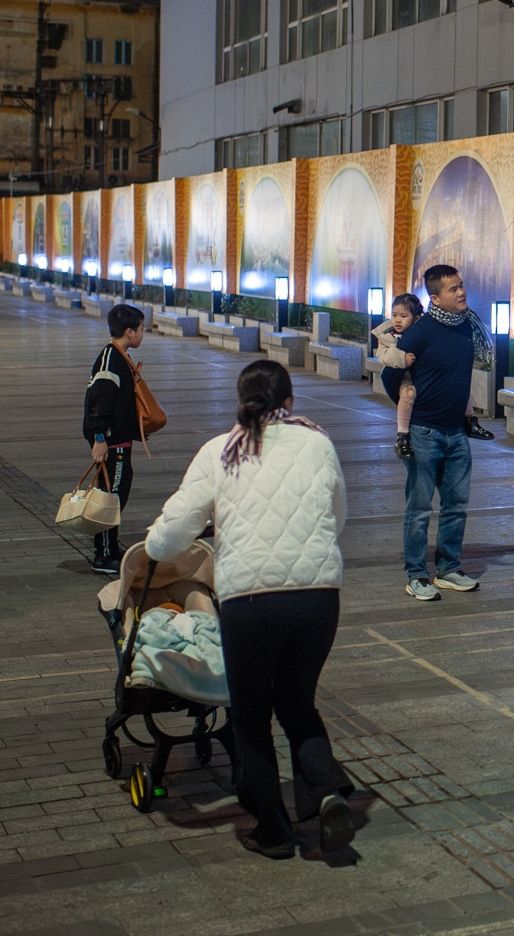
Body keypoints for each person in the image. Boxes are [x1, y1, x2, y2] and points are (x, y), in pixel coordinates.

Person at [145, 360, 354, 860]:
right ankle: (326, 792)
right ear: (290, 400)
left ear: (241, 401)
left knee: (251, 716)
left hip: (250, 601)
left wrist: (153, 546)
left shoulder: (221, 451)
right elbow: (337, 515)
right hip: (318, 597)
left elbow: (171, 535)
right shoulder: (318, 443)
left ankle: (274, 831)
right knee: (297, 703)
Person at [394, 264, 494, 602]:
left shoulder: (467, 325)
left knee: (456, 505)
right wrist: (409, 405)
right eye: (453, 289)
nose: (461, 292)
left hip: (456, 433)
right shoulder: (420, 332)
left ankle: (449, 569)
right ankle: (416, 574)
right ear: (435, 298)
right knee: (420, 508)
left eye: (461, 285)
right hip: (424, 431)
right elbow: (391, 373)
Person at [82, 304, 146, 575]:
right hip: (112, 442)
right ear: (129, 332)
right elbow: (99, 402)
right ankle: (104, 554)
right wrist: (99, 437)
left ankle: (110, 545)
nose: (143, 334)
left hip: (119, 440)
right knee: (112, 496)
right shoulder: (111, 360)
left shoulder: (118, 356)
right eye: (141, 329)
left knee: (115, 493)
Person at [369, 293, 426, 444]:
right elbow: (383, 356)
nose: (397, 320)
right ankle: (402, 433)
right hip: (403, 377)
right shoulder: (386, 335)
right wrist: (402, 358)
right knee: (408, 394)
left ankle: (469, 417)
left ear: (415, 318)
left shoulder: (421, 332)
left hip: (422, 374)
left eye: (403, 316)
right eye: (394, 315)